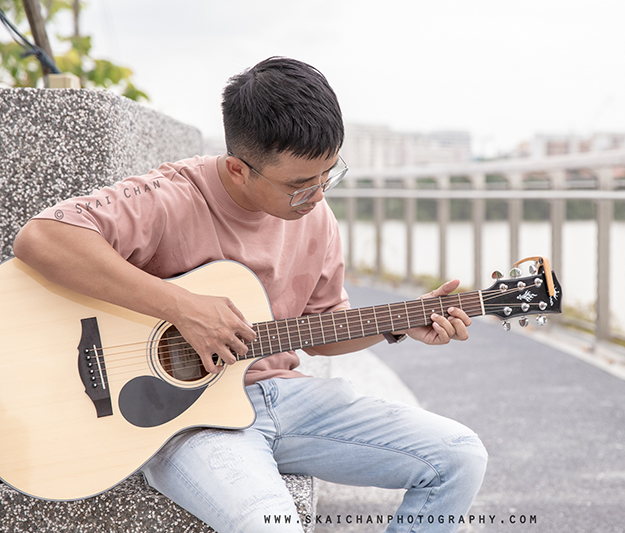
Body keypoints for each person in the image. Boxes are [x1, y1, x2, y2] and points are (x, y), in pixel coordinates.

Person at [13, 56, 487, 532]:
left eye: (328, 175)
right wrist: (182, 307)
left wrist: (396, 324)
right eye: (300, 186)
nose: (318, 196)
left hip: (286, 399)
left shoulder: (317, 219)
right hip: (191, 422)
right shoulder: (171, 196)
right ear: (238, 169)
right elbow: (42, 238)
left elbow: (322, 330)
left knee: (460, 457)